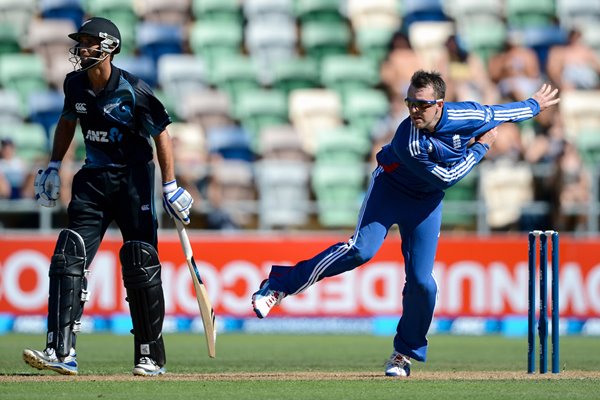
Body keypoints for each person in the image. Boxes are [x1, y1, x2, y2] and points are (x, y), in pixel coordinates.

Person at [251, 70, 560, 377]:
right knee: (360, 250)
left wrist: (533, 104)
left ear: (440, 104)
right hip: (391, 190)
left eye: (422, 104)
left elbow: (499, 113)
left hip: (425, 203)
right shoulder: (408, 139)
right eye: (410, 102)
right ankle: (278, 286)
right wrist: (481, 148)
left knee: (422, 283)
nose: (414, 110)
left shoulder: (466, 114)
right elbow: (448, 178)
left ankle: (403, 354)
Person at [22, 17, 193, 377]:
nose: (81, 49)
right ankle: (60, 351)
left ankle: (150, 355)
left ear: (108, 48)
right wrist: (54, 165)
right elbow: (68, 121)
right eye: (79, 42)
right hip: (93, 180)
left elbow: (161, 133)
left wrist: (170, 185)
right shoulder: (75, 84)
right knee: (69, 255)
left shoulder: (134, 89)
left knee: (141, 261)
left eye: (88, 42)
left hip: (133, 180)